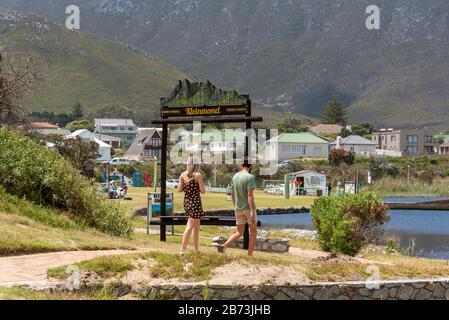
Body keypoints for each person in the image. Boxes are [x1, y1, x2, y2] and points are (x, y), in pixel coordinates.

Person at [218, 162, 257, 256]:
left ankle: (224, 245)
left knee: (239, 232)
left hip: (238, 208)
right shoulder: (250, 177)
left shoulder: (235, 176)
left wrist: (235, 206)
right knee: (253, 232)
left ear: (241, 166)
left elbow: (232, 194)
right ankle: (249, 255)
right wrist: (252, 211)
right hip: (248, 208)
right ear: (250, 166)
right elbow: (249, 195)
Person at [178, 156, 206, 252]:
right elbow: (203, 191)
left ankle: (196, 249)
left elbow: (179, 189)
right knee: (190, 225)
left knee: (196, 226)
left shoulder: (182, 175)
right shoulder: (198, 175)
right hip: (196, 202)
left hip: (187, 201)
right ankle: (182, 248)